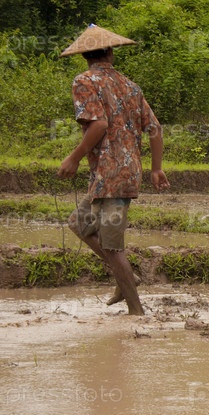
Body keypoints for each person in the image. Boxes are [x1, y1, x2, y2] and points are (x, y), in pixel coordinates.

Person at [57, 24, 169, 315]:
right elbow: (155, 128)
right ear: (110, 52)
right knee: (79, 223)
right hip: (117, 176)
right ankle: (125, 277)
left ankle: (136, 311)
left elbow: (99, 125)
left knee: (112, 246)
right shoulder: (130, 85)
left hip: (111, 177)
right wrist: (156, 169)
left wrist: (74, 158)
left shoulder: (84, 81)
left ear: (85, 55)